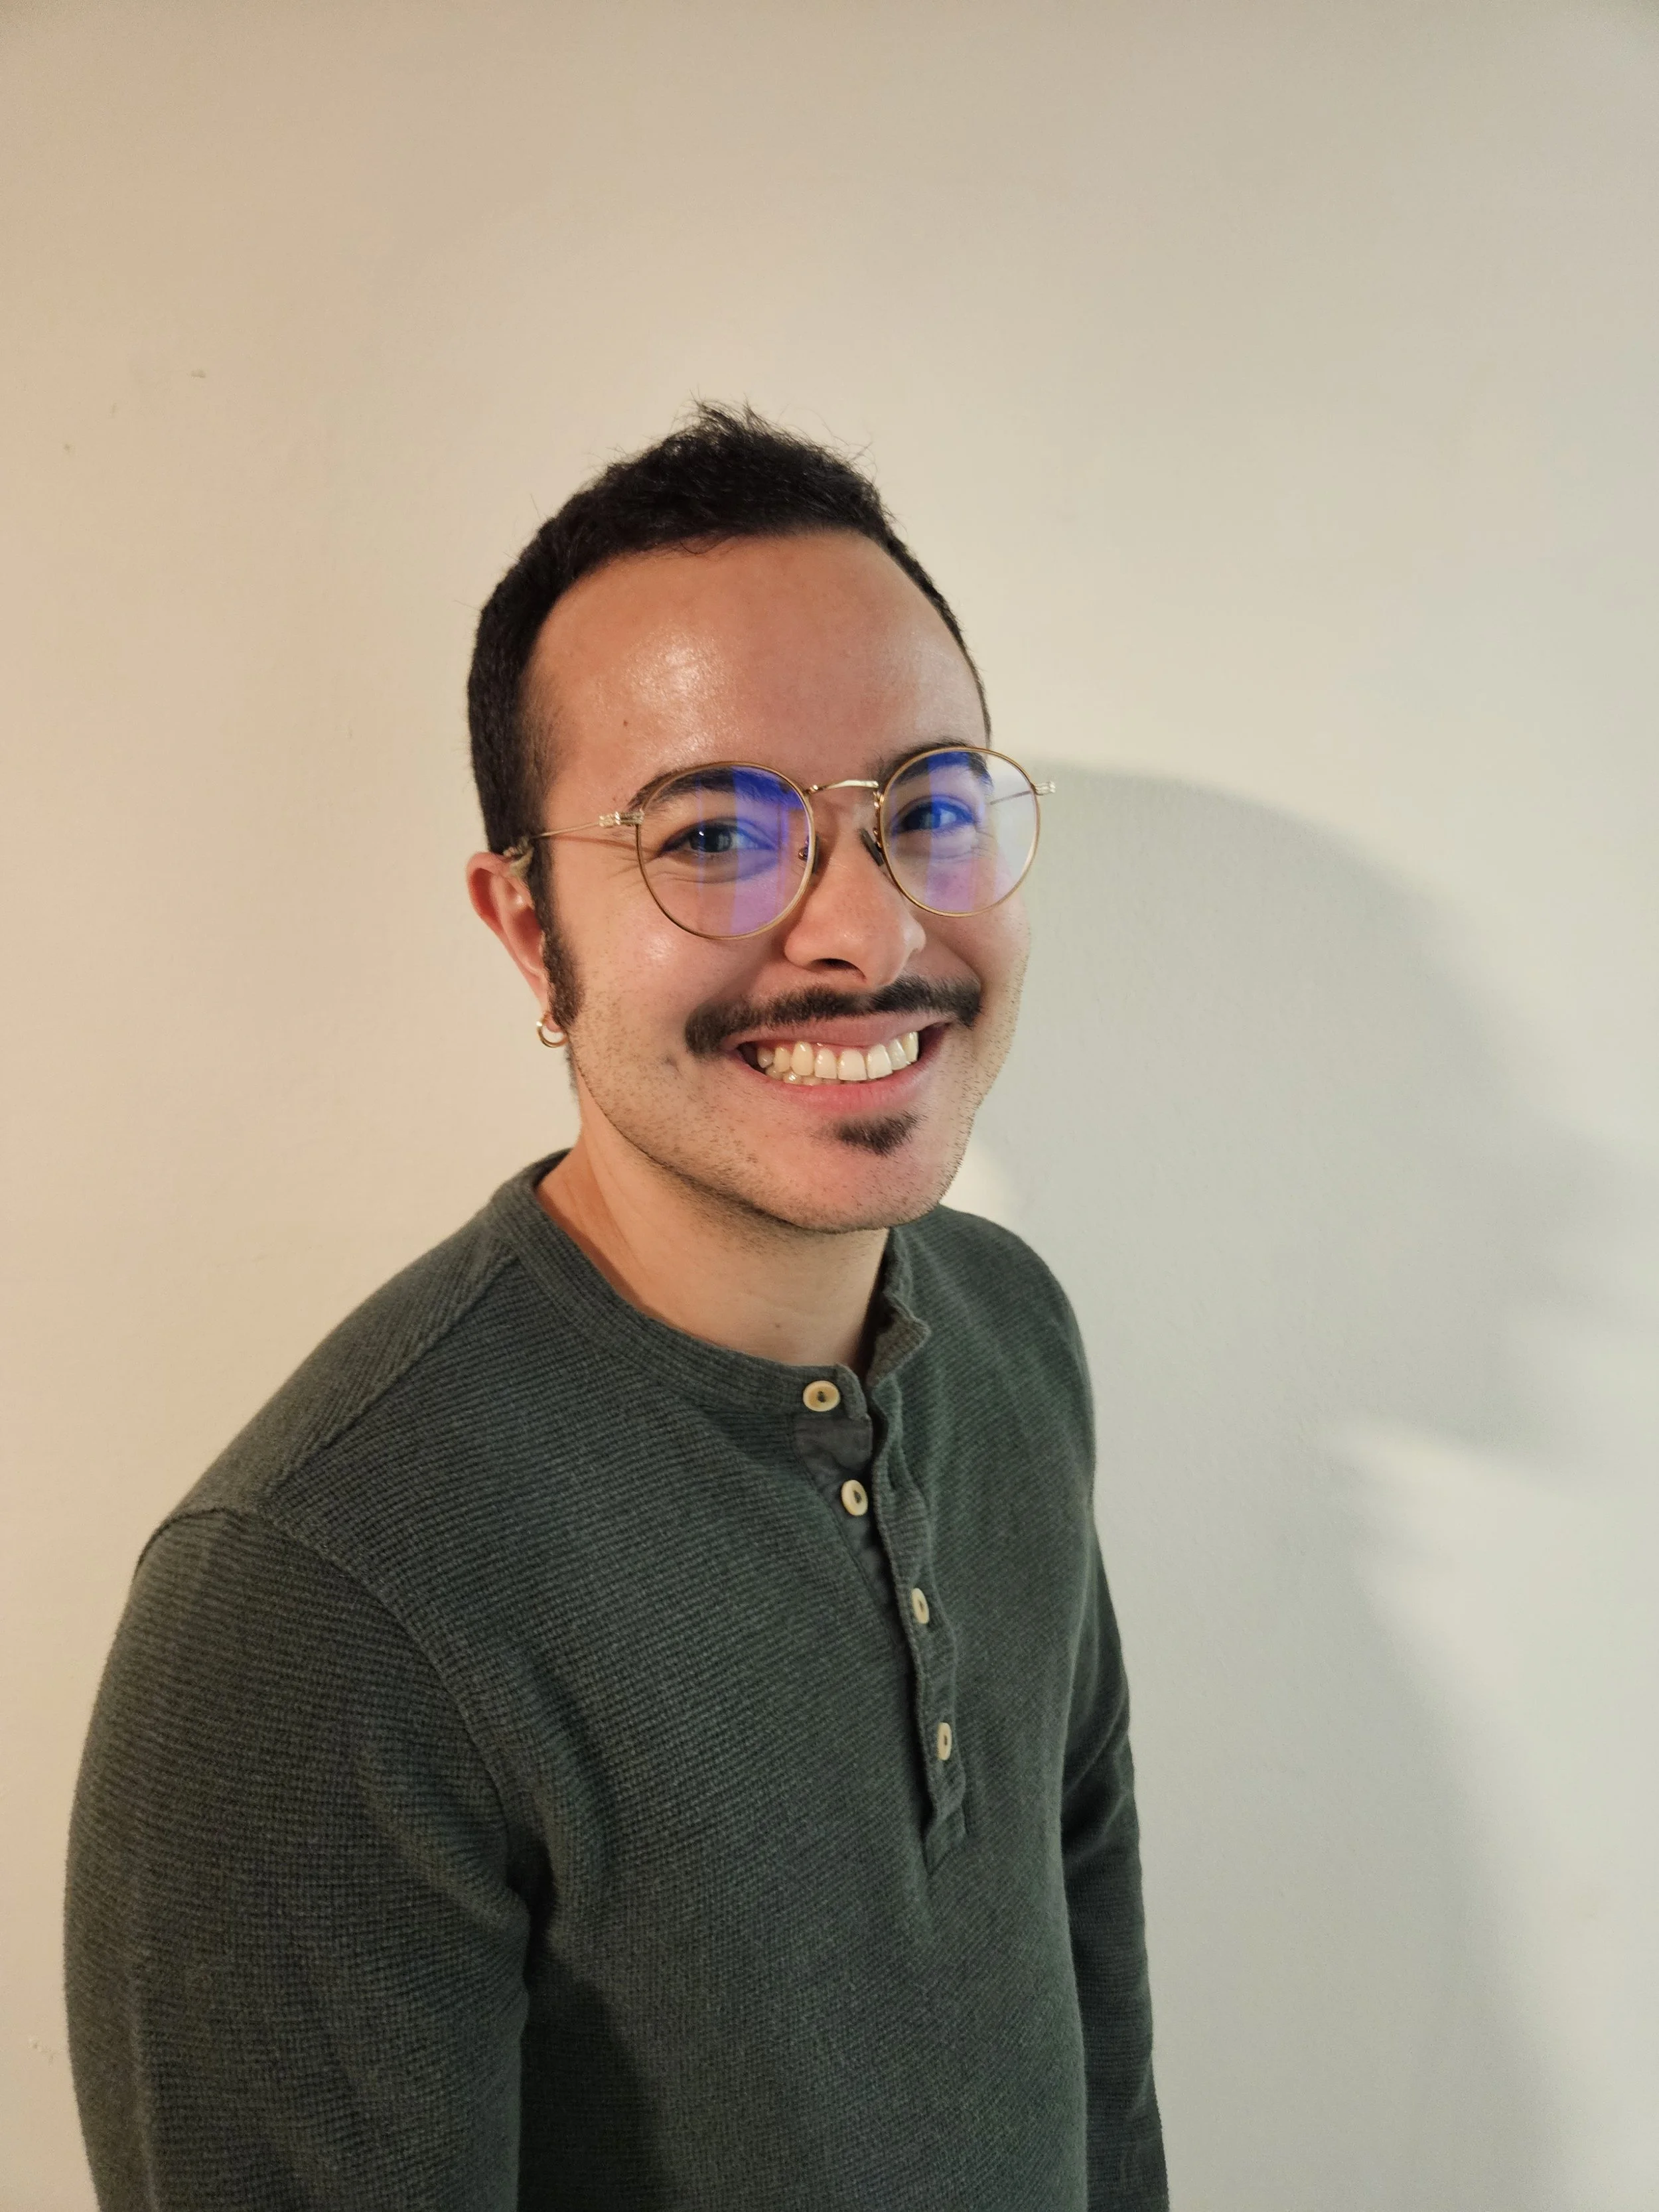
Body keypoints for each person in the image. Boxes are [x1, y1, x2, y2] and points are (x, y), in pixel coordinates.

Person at [64, 404, 1168, 2209]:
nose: (862, 929)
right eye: (714, 835)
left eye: (928, 808)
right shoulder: (313, 1600)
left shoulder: (1011, 1337)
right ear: (524, 927)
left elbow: (1096, 2051)